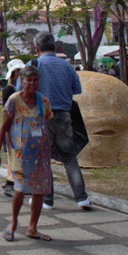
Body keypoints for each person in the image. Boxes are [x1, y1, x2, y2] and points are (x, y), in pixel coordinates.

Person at [0, 65, 53, 242]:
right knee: (20, 188)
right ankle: (13, 222)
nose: (32, 83)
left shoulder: (43, 102)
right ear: (22, 81)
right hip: (20, 154)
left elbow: (48, 124)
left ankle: (33, 228)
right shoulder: (14, 101)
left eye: (36, 80)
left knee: (39, 190)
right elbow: (3, 128)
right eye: (29, 80)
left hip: (40, 155)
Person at [32, 32, 92, 210]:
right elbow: (77, 89)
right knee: (70, 158)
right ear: (56, 46)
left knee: (44, 159)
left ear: (37, 48)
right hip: (65, 116)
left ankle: (47, 199)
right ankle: (82, 198)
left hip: (42, 117)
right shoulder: (67, 66)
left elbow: (22, 89)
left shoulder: (35, 64)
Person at [0, 58, 26, 196]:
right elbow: (7, 111)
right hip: (14, 127)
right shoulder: (9, 90)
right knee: (14, 156)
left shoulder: (24, 86)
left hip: (25, 126)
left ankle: (15, 183)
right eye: (18, 71)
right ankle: (11, 183)